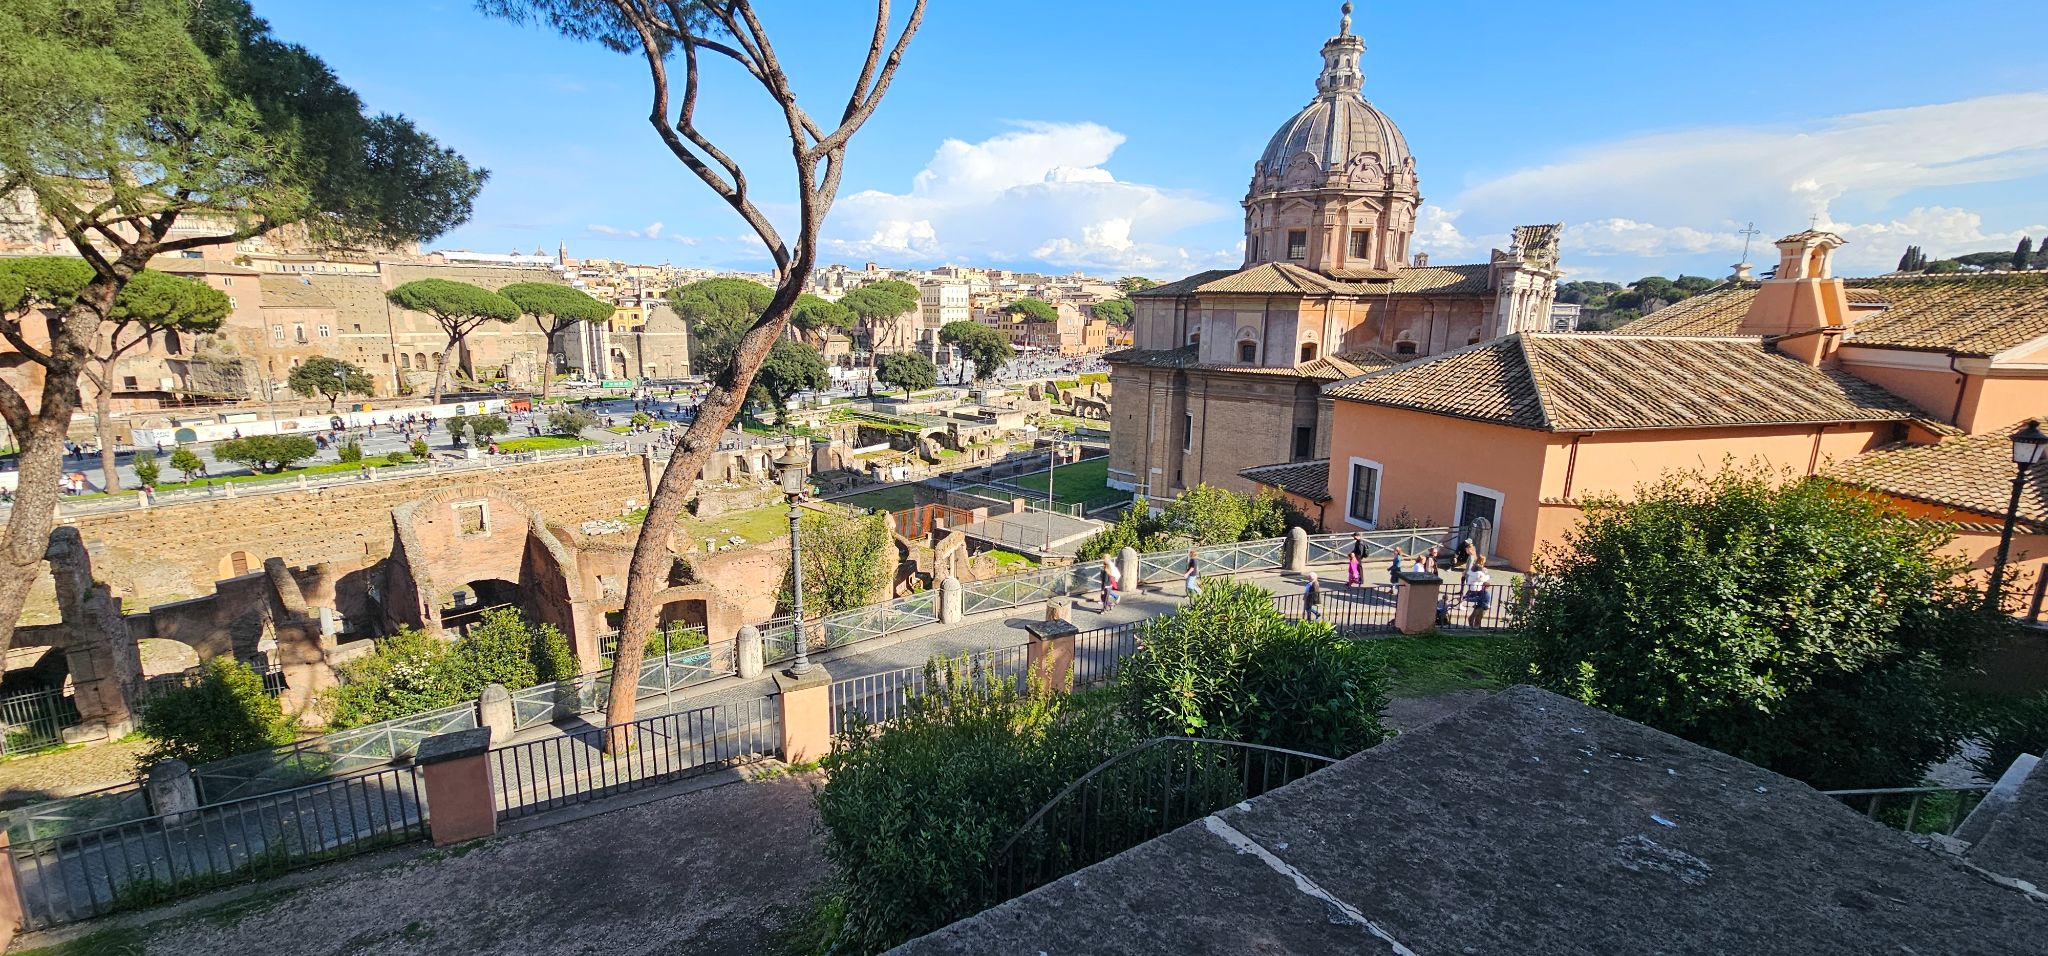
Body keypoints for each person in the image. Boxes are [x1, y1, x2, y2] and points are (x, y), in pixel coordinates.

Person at [1462, 556, 1493, 628]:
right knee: (1476, 618)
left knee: (1476, 618)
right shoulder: (1479, 572)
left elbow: (1478, 599)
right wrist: (1488, 576)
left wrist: (1466, 599)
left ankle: (1474, 628)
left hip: (1472, 588)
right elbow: (1483, 578)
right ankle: (1475, 628)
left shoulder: (1472, 569)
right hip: (1476, 590)